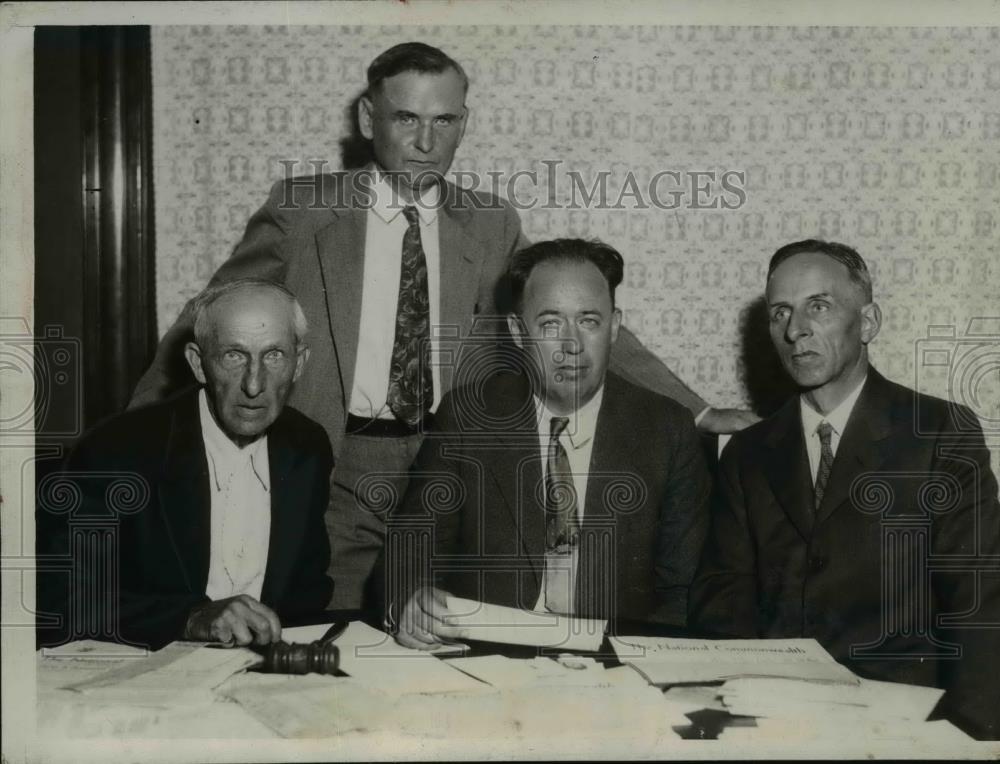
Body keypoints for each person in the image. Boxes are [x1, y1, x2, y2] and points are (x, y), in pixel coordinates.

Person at [129, 41, 753, 611]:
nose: (426, 141)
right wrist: (135, 437)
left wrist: (697, 413)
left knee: (433, 639)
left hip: (449, 466)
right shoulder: (302, 212)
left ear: (463, 124)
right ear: (369, 120)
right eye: (406, 119)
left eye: (444, 121)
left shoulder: (489, 224)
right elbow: (208, 320)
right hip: (338, 467)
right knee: (331, 628)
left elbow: (572, 314)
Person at [688, 239, 1000, 739]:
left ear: (869, 322)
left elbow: (979, 603)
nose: (795, 330)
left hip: (906, 726)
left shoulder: (939, 432)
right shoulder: (748, 453)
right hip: (771, 719)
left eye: (819, 306)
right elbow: (721, 600)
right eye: (780, 313)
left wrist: (974, 738)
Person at [391, 238, 711, 649]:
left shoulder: (667, 428)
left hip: (615, 667)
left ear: (614, 327)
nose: (572, 345)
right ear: (516, 331)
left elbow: (684, 590)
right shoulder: (466, 418)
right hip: (488, 661)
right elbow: (407, 555)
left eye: (589, 321)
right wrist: (410, 600)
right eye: (550, 323)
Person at [39, 279, 333, 650]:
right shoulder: (117, 450)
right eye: (234, 356)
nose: (255, 385)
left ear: (299, 363)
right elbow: (54, 599)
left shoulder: (308, 446)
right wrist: (189, 618)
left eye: (274, 355)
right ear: (198, 363)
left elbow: (307, 590)